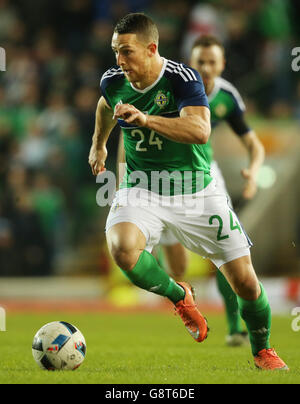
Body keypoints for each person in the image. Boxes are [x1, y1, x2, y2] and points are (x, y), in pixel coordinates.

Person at [89, 13, 288, 371]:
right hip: (142, 187)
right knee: (122, 249)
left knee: (244, 280)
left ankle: (263, 350)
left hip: (195, 189)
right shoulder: (113, 80)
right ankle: (180, 296)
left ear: (152, 49)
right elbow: (106, 106)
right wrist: (99, 144)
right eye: (116, 51)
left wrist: (147, 119)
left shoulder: (183, 78)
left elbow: (200, 131)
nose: (120, 60)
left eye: (127, 51)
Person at [151, 35, 266, 347]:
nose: (206, 68)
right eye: (200, 61)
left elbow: (253, 144)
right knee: (178, 268)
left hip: (204, 175)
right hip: (163, 178)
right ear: (191, 62)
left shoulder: (226, 96)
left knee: (227, 251)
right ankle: (185, 301)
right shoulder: (173, 86)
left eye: (212, 62)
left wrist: (253, 173)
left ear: (222, 64)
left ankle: (234, 327)